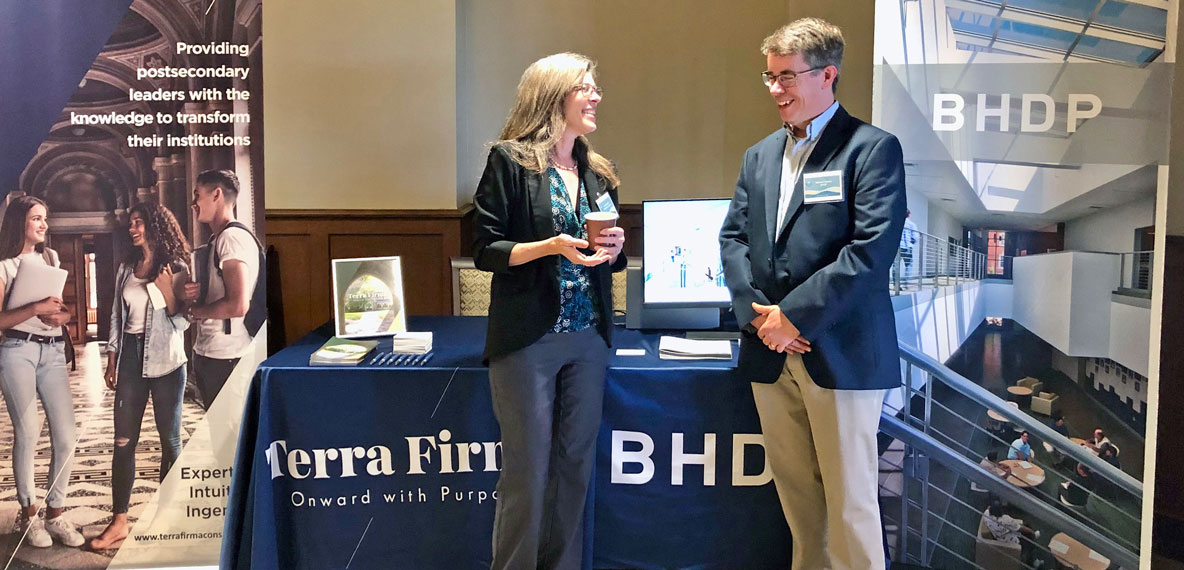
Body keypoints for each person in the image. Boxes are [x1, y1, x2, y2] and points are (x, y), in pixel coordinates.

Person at [718, 18, 906, 570]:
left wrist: (793, 318)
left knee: (851, 507)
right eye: (769, 77)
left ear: (828, 74)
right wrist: (758, 319)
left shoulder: (871, 150)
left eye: (787, 77)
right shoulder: (758, 155)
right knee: (800, 506)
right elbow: (733, 238)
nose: (775, 90)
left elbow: (870, 252)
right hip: (770, 353)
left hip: (840, 352)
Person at [471, 52, 626, 570]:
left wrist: (616, 248)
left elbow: (609, 256)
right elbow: (487, 250)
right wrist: (549, 246)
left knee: (575, 467)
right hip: (528, 340)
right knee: (528, 472)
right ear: (553, 94)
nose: (596, 95)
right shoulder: (510, 161)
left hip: (589, 337)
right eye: (585, 87)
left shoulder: (598, 172)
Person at [87, 202, 190, 550]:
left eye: (138, 223)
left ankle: (167, 518)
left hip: (167, 363)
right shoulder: (126, 268)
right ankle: (119, 522)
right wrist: (111, 360)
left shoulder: (176, 267)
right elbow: (116, 316)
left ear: (154, 225)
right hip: (130, 359)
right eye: (130, 223)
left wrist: (164, 297)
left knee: (170, 441)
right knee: (122, 441)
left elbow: (183, 322)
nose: (132, 228)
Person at [0, 195, 82, 547]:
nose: (44, 224)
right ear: (20, 222)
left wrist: (60, 316)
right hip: (16, 350)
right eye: (37, 218)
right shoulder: (3, 265)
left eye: (44, 218)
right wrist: (34, 307)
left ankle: (56, 512)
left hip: (51, 350)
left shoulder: (51, 258)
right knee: (29, 432)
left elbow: (61, 312)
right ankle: (29, 513)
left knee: (66, 434)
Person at [180, 169, 261, 410]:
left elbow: (238, 305)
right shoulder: (218, 239)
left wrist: (197, 312)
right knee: (222, 440)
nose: (193, 203)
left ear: (216, 194)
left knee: (229, 440)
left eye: (197, 195)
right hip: (214, 353)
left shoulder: (231, 238)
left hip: (227, 356)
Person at [982, 499, 1042, 567]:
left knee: (1026, 527)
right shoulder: (1005, 520)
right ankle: (1033, 562)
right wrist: (1032, 533)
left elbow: (988, 508)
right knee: (1029, 543)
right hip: (1011, 540)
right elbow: (1020, 528)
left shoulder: (986, 514)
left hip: (998, 536)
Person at [899, 209, 918, 277]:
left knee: (896, 265)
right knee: (909, 264)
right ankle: (906, 283)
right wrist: (911, 243)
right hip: (907, 247)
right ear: (909, 215)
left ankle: (896, 284)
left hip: (897, 247)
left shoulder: (897, 223)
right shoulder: (912, 224)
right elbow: (915, 237)